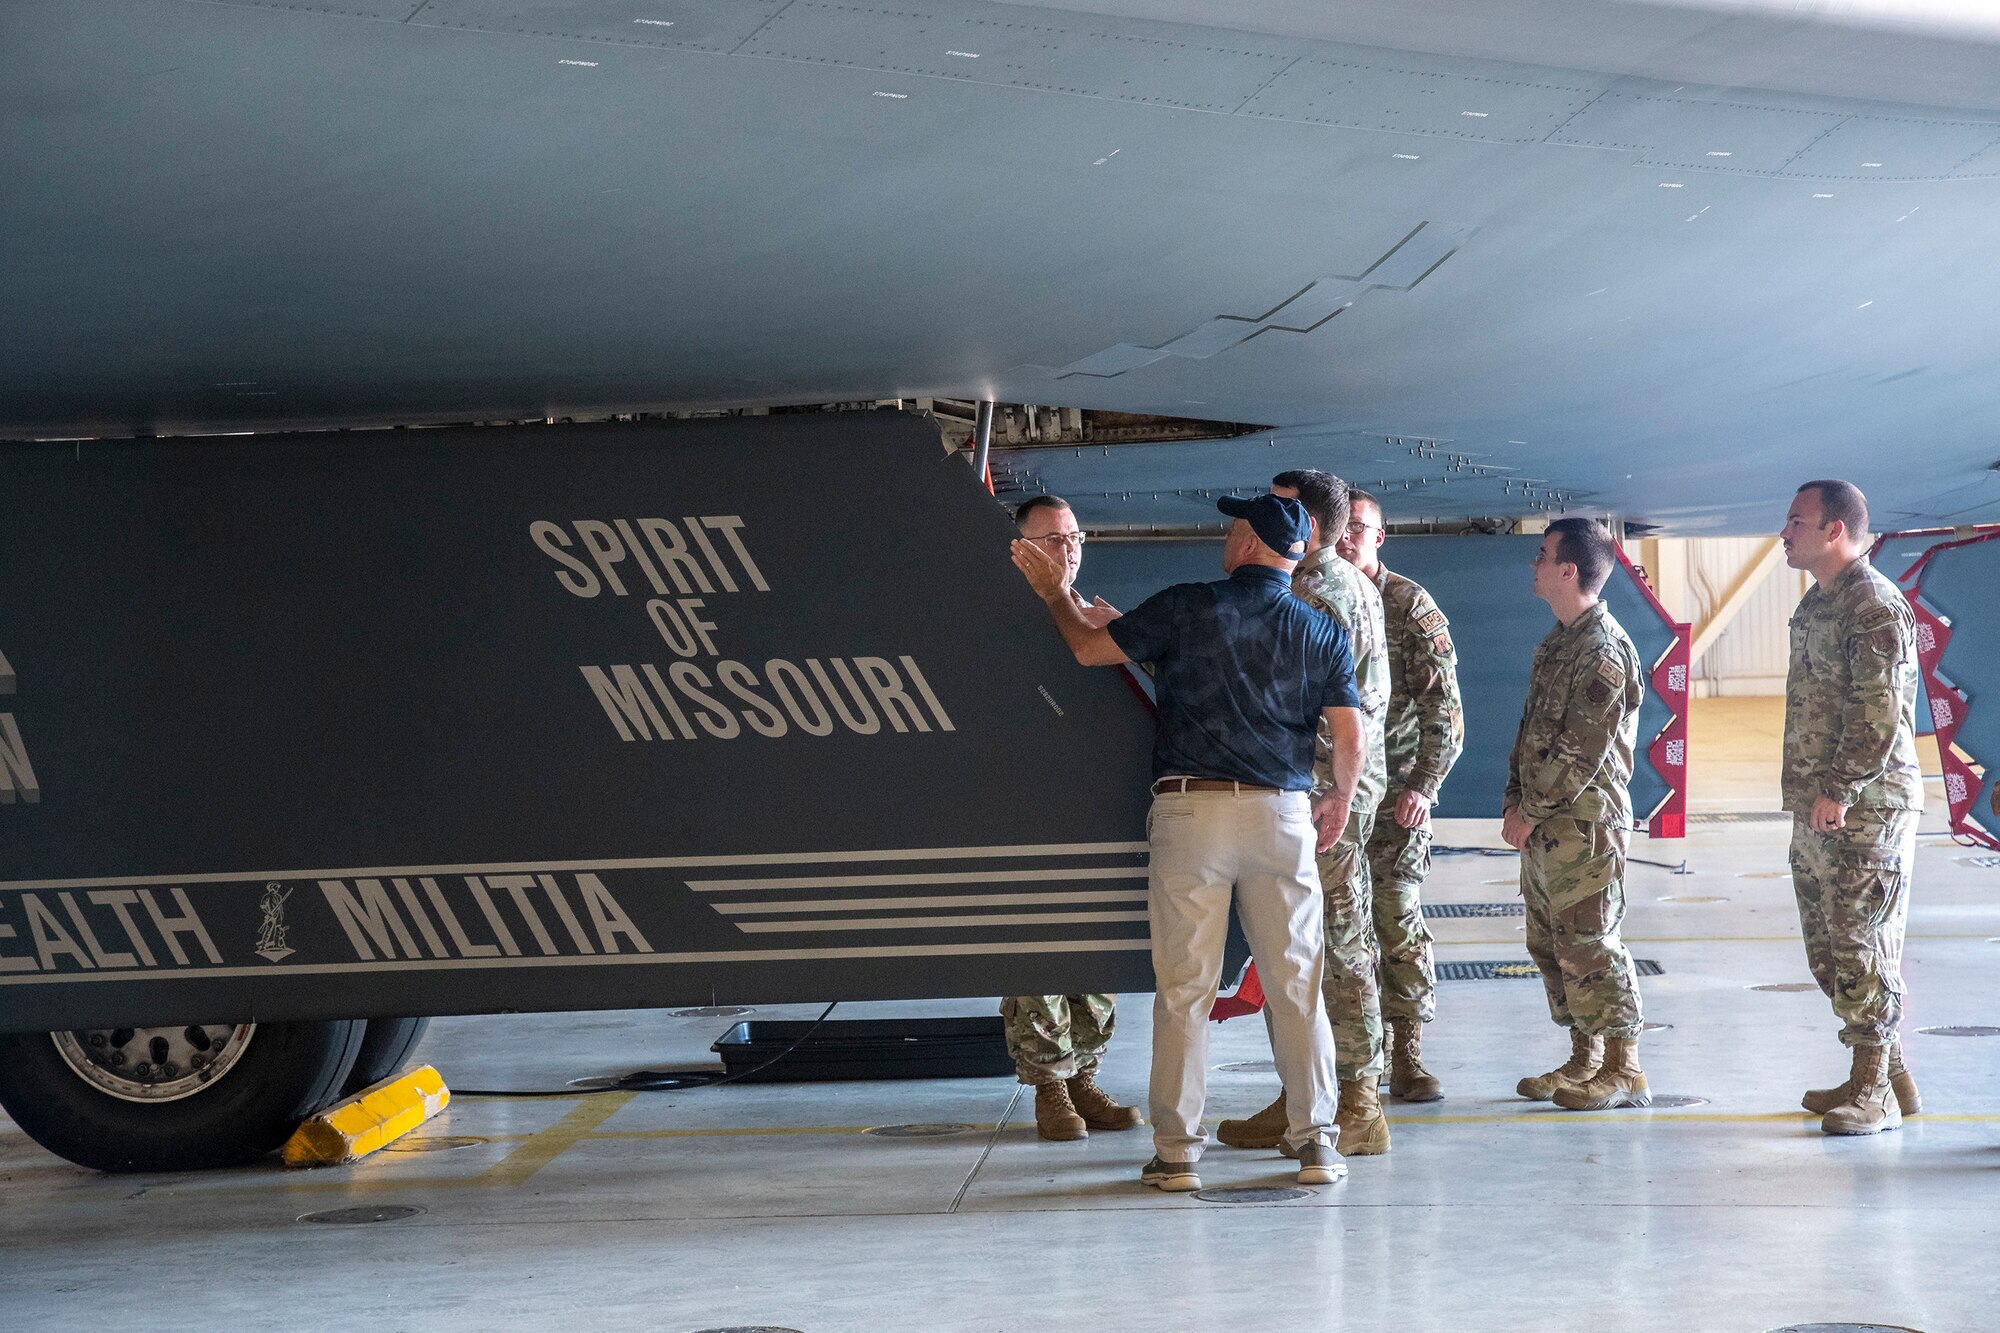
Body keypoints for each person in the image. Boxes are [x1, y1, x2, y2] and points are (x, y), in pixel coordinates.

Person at [1011, 493, 1362, 1192]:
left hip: (1192, 816)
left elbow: (1085, 646)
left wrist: (1054, 593)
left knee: (1184, 992)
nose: (1225, 536)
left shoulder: (1187, 606)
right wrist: (1338, 801)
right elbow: (1349, 735)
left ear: (1249, 542)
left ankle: (1176, 1153)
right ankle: (1317, 1144)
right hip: (1283, 818)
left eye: (1234, 528)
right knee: (1297, 987)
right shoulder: (1321, 630)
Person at [1215, 470, 1394, 1157]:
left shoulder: (1316, 590)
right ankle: (1307, 1094)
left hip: (1323, 796)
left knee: (1336, 951)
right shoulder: (1343, 581)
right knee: (1302, 949)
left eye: (1278, 505)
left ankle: (1356, 1103)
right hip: (1330, 789)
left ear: (1306, 524)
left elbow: (1322, 708)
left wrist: (1329, 794)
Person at [1779, 480, 1924, 1135]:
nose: (1785, 532)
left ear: (1835, 529)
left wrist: (1839, 787)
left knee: (1862, 946)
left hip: (1866, 803)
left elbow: (1879, 713)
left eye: (1797, 521)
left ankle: (1876, 1094)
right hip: (1820, 805)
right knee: (1829, 952)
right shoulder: (1817, 604)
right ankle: (1888, 1074)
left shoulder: (1873, 606)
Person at [1002, 496, 1141, 1141]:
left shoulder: (1091, 617)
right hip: (1023, 809)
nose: (1069, 549)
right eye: (1053, 540)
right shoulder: (995, 621)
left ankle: (1085, 1075)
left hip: (1095, 808)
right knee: (1037, 946)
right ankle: (1050, 1086)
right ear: (1020, 548)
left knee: (1096, 948)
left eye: (1075, 537)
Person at [1502, 517, 1650, 1111]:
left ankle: (1625, 1067)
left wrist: (1530, 809)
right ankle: (1584, 1057)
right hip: (1547, 823)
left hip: (1583, 823)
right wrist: (1516, 801)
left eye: (1541, 556)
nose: (1532, 565)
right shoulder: (1559, 642)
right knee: (1554, 943)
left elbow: (1580, 751)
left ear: (1568, 570)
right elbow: (1530, 735)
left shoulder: (1603, 649)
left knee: (1592, 942)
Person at [1339, 490, 1464, 1101]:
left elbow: (1446, 709)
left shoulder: (1408, 605)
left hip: (1394, 798)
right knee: (1341, 928)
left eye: (1359, 529)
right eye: (1340, 527)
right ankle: (1357, 1060)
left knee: (1395, 919)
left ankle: (1408, 1055)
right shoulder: (1319, 595)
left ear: (1379, 537)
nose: (1347, 538)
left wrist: (1423, 786)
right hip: (1336, 796)